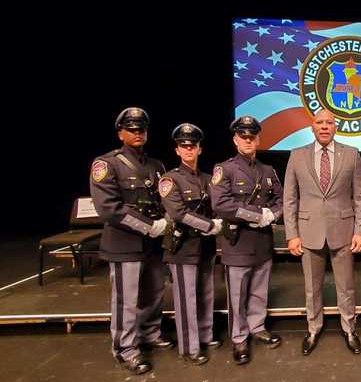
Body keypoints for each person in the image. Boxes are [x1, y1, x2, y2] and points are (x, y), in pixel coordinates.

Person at [89, 107, 174, 375]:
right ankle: (125, 348)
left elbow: (164, 201)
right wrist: (151, 227)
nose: (138, 133)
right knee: (126, 299)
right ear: (120, 133)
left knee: (154, 292)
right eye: (132, 129)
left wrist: (168, 223)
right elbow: (109, 209)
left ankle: (149, 333)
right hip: (124, 243)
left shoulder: (156, 166)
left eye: (142, 129)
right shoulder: (106, 164)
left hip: (153, 245)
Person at [283, 108, 361, 356]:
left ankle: (350, 329)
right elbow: (290, 199)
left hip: (343, 232)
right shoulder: (297, 156)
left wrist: (360, 231)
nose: (324, 126)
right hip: (308, 233)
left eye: (328, 122)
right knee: (312, 288)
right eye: (319, 122)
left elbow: (360, 197)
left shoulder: (351, 155)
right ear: (312, 127)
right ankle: (313, 329)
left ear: (335, 127)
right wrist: (292, 234)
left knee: (346, 286)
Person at [210, 116, 283, 365]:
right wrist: (254, 215)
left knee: (259, 291)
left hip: (263, 241)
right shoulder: (225, 169)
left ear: (258, 139)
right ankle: (239, 338)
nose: (248, 140)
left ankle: (257, 326)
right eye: (243, 136)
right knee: (237, 295)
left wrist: (272, 214)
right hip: (237, 242)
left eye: (252, 136)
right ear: (235, 139)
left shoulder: (268, 170)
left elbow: (282, 200)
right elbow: (220, 204)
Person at [158, 123, 223, 366]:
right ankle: (189, 347)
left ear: (200, 149)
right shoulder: (169, 179)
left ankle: (205, 335)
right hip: (182, 246)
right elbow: (178, 213)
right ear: (177, 150)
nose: (188, 149)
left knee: (206, 293)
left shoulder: (208, 179)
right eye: (183, 146)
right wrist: (210, 226)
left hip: (204, 247)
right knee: (185, 299)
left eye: (192, 145)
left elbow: (218, 206)